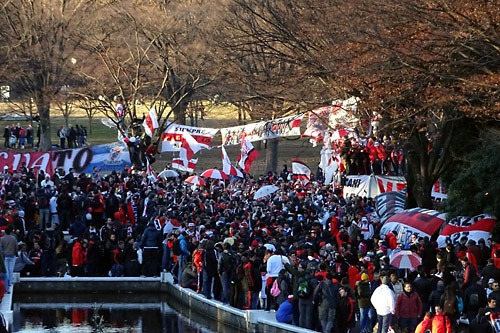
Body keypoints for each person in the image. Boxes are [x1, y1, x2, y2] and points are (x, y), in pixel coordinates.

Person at [0, 225, 18, 290]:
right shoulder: (14, 238)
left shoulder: (2, 238)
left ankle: (7, 282)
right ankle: (10, 282)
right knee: (11, 269)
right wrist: (16, 253)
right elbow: (16, 247)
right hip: (12, 255)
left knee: (6, 270)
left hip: (5, 255)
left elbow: (1, 248)